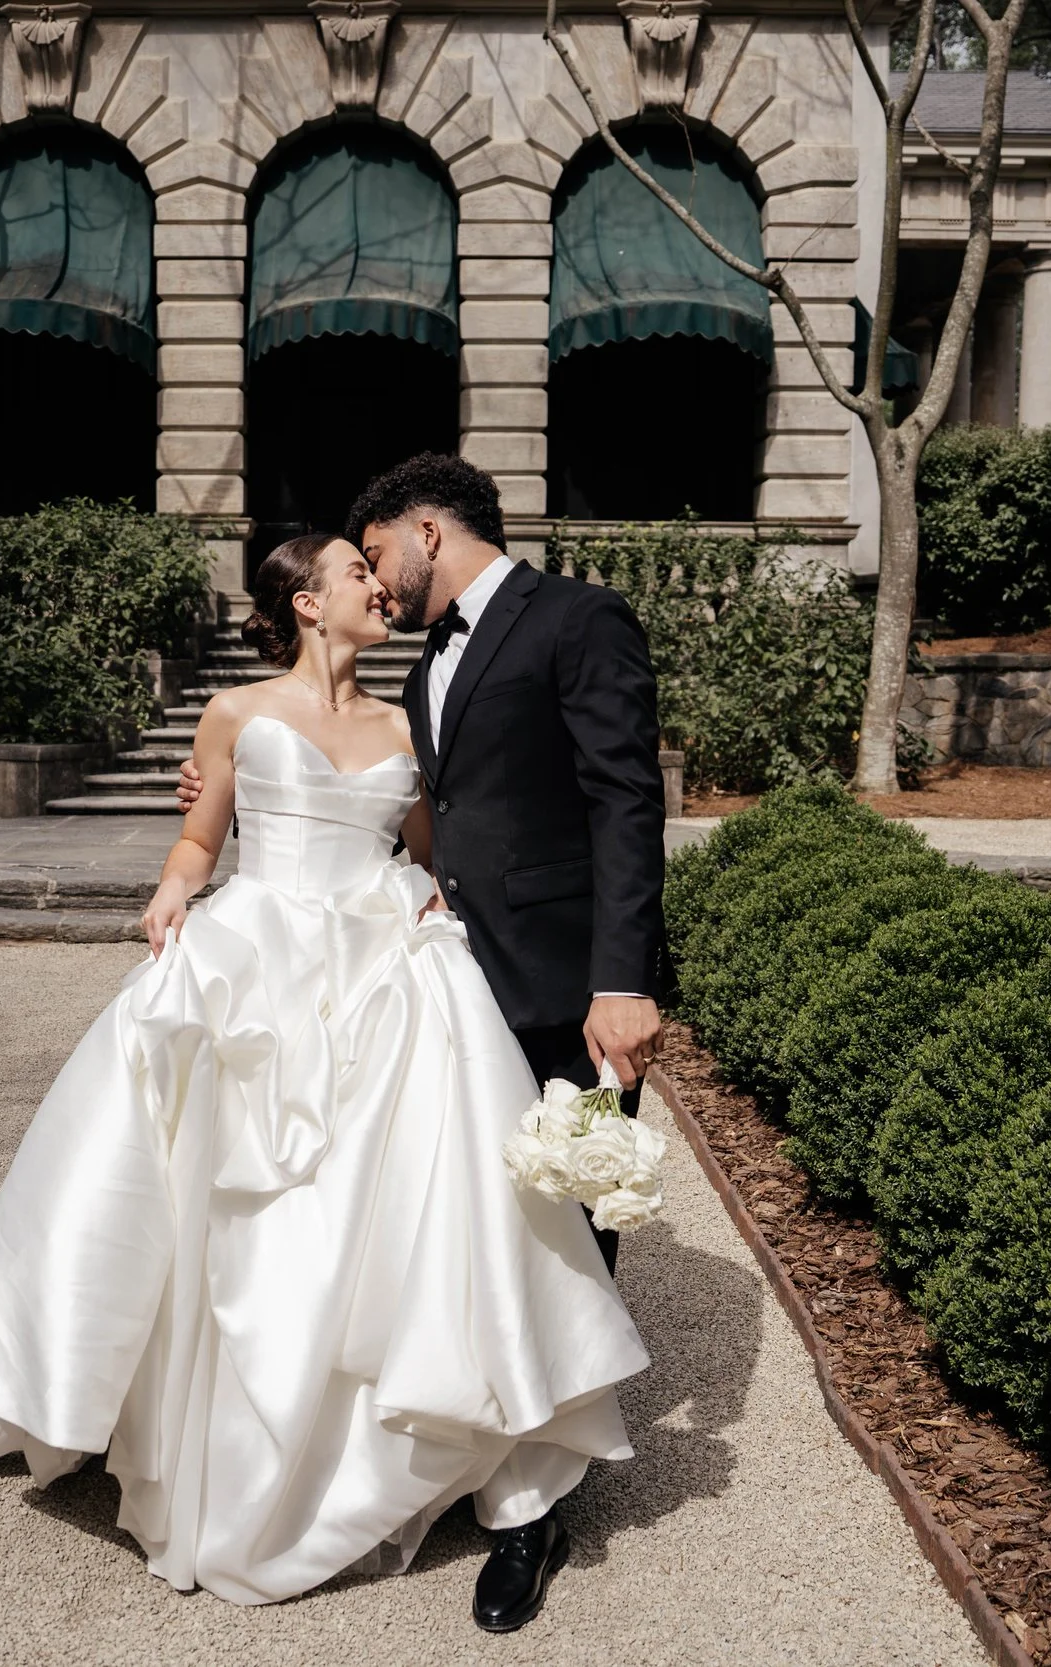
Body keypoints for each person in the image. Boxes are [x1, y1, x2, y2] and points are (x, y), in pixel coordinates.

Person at [0, 531, 649, 1632]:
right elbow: (199, 841)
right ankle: (228, 1431)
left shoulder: (411, 725)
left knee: (418, 1201)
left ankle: (458, 1449)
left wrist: (444, 907)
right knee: (237, 1205)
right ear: (306, 602)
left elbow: (433, 845)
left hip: (388, 967)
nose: (375, 583)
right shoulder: (234, 716)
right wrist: (171, 890)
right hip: (259, 964)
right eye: (355, 571)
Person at [172, 455, 671, 1618]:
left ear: (428, 530)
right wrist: (223, 778)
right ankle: (450, 1442)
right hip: (442, 979)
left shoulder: (581, 619)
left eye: (379, 549)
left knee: (565, 1238)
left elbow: (623, 797)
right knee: (446, 1229)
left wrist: (622, 978)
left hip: (566, 989)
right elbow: (409, 809)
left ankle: (534, 1508)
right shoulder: (425, 663)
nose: (379, 581)